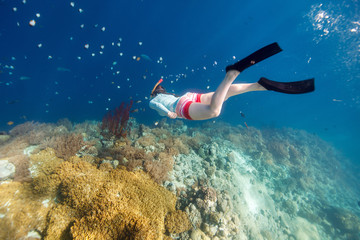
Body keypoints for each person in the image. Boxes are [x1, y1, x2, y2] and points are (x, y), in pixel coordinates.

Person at [149, 43, 314, 121]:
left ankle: (231, 74)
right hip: (187, 98)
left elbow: (156, 106)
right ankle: (258, 86)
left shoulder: (153, 100)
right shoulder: (166, 94)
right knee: (224, 94)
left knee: (214, 111)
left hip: (180, 108)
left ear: (154, 93)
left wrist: (169, 113)